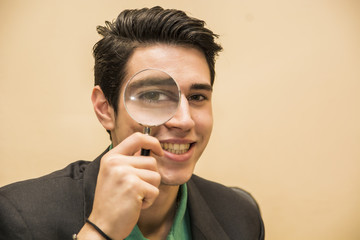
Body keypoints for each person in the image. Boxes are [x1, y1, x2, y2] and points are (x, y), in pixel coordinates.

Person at [0, 6, 264, 240]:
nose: (184, 121)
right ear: (105, 109)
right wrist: (99, 230)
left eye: (197, 97)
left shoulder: (240, 215)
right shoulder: (19, 217)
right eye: (152, 96)